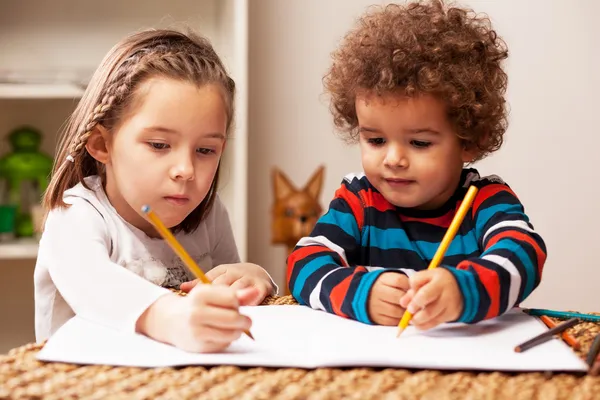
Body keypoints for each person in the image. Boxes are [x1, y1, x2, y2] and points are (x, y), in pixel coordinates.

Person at [288, 0, 546, 331]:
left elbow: (524, 255)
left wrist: (461, 290)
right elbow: (303, 264)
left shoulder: (486, 201)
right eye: (376, 140)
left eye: (419, 143)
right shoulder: (358, 199)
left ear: (469, 139)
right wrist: (362, 293)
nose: (393, 159)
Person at [35, 29, 276, 353]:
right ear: (100, 144)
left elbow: (224, 295)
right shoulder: (73, 216)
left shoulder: (210, 214)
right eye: (159, 145)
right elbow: (95, 286)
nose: (186, 170)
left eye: (206, 150)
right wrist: (171, 318)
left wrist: (251, 277)